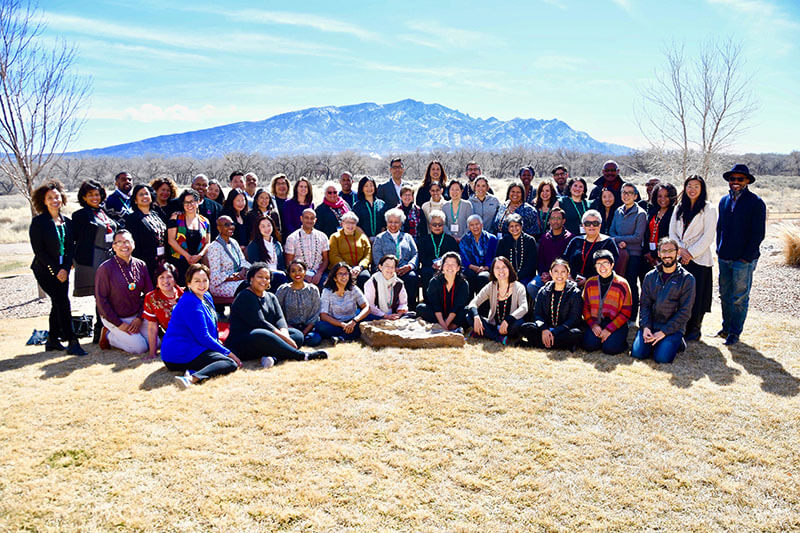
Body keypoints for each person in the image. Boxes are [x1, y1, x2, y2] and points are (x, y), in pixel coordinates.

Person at [226, 263, 328, 367]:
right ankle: (302, 356)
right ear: (251, 278)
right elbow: (260, 322)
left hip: (267, 337)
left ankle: (273, 357)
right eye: (260, 277)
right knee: (261, 333)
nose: (264, 280)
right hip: (247, 340)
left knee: (297, 335)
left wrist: (286, 335)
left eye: (267, 278)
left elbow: (280, 318)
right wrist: (285, 339)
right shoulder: (245, 296)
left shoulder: (271, 296)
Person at [29, 179, 86, 355]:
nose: (55, 200)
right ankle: (72, 341)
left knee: (58, 302)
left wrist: (66, 268)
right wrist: (56, 271)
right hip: (45, 270)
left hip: (63, 269)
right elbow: (39, 252)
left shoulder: (67, 222)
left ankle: (53, 340)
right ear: (43, 201)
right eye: (50, 198)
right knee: (62, 301)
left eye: (57, 197)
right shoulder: (39, 222)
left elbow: (71, 248)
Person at [160, 264, 242, 387]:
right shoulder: (190, 302)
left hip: (195, 346)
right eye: (197, 281)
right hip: (178, 353)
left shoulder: (206, 296)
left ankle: (193, 370)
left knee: (230, 349)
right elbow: (203, 337)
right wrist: (228, 353)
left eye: (205, 280)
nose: (202, 284)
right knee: (229, 362)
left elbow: (212, 327)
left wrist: (221, 347)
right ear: (188, 283)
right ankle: (192, 378)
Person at [716, 164, 765, 345]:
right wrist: (719, 249)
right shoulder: (724, 201)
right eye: (732, 179)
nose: (735, 182)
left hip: (743, 259)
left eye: (740, 179)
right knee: (724, 294)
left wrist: (747, 256)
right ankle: (726, 328)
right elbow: (720, 228)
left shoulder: (756, 203)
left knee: (739, 297)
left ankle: (735, 333)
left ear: (747, 181)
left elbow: (758, 233)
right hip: (725, 256)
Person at [631, 238, 696, 363]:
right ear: (659, 254)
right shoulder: (650, 276)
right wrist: (646, 327)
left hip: (672, 327)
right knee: (638, 354)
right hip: (652, 324)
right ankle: (659, 342)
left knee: (661, 358)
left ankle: (676, 342)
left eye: (671, 251)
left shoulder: (687, 279)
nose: (667, 255)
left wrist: (664, 332)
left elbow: (685, 311)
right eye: (664, 251)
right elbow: (644, 304)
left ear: (677, 253)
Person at [669, 176, 716, 342]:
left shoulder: (709, 209)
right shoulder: (679, 208)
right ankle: (680, 326)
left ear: (702, 189)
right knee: (680, 295)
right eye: (689, 186)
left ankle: (695, 329)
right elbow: (672, 232)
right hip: (680, 257)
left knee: (698, 295)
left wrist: (690, 253)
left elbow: (708, 236)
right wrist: (681, 251)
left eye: (696, 186)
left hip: (699, 258)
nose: (692, 189)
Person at [95, 230, 153, 354]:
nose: (124, 245)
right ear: (113, 246)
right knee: (140, 348)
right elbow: (101, 301)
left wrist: (139, 318)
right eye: (119, 242)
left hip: (136, 316)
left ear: (133, 244)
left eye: (127, 242)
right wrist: (119, 324)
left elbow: (149, 295)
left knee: (156, 342)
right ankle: (109, 336)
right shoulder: (105, 269)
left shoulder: (141, 265)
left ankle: (130, 336)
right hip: (115, 318)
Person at [71, 180, 116, 317]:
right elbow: (74, 239)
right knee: (101, 295)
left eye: (97, 194)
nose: (94, 197)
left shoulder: (104, 212)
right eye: (90, 195)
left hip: (109, 255)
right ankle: (99, 329)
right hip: (93, 257)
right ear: (83, 197)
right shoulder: (80, 215)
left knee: (111, 294)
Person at [519, 259, 583, 350]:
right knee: (525, 327)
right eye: (556, 271)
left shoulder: (575, 293)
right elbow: (537, 314)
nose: (559, 275)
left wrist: (555, 332)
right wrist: (544, 329)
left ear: (568, 273)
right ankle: (557, 345)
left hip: (563, 330)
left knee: (576, 333)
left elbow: (574, 319)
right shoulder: (544, 290)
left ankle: (540, 343)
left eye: (563, 272)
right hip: (546, 329)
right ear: (551, 273)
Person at [468, 256, 528, 344]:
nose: (501, 271)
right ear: (493, 271)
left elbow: (524, 307)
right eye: (497, 268)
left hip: (509, 326)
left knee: (519, 324)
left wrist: (508, 320)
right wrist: (476, 316)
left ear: (509, 269)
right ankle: (498, 338)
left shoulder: (518, 287)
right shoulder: (491, 286)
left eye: (504, 267)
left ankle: (484, 333)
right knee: (469, 314)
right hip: (493, 325)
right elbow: (474, 302)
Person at [609, 182, 648, 322]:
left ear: (636, 196)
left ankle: (632, 317)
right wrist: (619, 241)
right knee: (618, 284)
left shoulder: (640, 214)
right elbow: (611, 231)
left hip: (633, 254)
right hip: (618, 253)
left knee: (631, 284)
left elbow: (638, 237)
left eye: (630, 193)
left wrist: (620, 239)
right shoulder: (618, 211)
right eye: (624, 192)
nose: (626, 195)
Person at [581, 250, 631, 355]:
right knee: (589, 346)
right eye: (598, 264)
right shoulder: (590, 283)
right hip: (596, 322)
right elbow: (585, 307)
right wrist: (593, 325)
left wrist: (609, 329)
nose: (602, 267)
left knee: (610, 349)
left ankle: (618, 340)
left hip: (615, 323)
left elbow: (626, 312)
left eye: (605, 263)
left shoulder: (622, 284)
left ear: (612, 265)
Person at [372, 208, 419, 308]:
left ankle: (410, 307)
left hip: (404, 268)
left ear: (401, 223)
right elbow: (377, 256)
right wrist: (390, 269)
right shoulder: (380, 238)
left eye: (396, 222)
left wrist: (409, 266)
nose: (393, 225)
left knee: (412, 277)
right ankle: (388, 308)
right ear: (386, 223)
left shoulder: (407, 237)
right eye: (390, 222)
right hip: (385, 270)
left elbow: (415, 253)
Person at [317, 262, 372, 342]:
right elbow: (323, 315)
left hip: (352, 320)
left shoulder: (353, 288)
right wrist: (342, 324)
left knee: (369, 317)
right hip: (336, 323)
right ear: (334, 278)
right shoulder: (327, 291)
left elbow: (366, 307)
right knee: (320, 326)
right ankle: (347, 335)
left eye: (346, 274)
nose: (344, 276)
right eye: (340, 274)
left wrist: (354, 321)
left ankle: (341, 337)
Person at [563, 210, 619, 287]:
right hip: (572, 284)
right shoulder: (575, 241)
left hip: (597, 284)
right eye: (588, 223)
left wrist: (589, 280)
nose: (591, 226)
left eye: (595, 223)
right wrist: (569, 277)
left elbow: (612, 266)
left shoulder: (608, 242)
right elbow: (564, 261)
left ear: (600, 225)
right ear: (583, 226)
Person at [416, 251, 471, 331]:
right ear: (441, 267)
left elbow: (457, 306)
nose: (450, 267)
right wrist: (443, 323)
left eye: (453, 264)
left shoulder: (463, 283)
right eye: (447, 264)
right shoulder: (434, 281)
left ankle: (451, 326)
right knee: (420, 308)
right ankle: (447, 327)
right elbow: (435, 305)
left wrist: (446, 325)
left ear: (458, 268)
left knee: (468, 311)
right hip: (438, 314)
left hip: (454, 315)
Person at [166, 189, 211, 285]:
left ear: (198, 202)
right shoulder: (176, 218)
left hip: (197, 264)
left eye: (192, 202)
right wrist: (187, 256)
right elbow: (171, 240)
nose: (189, 205)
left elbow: (207, 242)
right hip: (179, 263)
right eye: (186, 202)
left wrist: (199, 255)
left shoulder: (205, 221)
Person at [125, 184, 168, 285]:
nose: (144, 197)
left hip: (162, 260)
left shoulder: (156, 214)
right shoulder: (132, 218)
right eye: (141, 194)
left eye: (146, 194)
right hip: (145, 262)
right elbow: (133, 245)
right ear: (135, 199)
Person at [276, 261, 323, 347]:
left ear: (305, 272)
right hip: (290, 328)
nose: (297, 273)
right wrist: (287, 326)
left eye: (300, 270)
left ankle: (299, 340)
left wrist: (304, 332)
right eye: (293, 271)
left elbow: (315, 313)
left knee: (315, 339)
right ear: (289, 273)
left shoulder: (313, 289)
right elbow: (277, 311)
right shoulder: (283, 290)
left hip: (308, 328)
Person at [142, 262, 183, 360]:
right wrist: (152, 353)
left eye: (169, 277)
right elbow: (152, 327)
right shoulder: (151, 298)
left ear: (175, 279)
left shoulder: (186, 295)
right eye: (161, 277)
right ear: (156, 281)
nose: (165, 281)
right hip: (173, 337)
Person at [531, 207, 574, 294]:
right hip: (547, 273)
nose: (555, 221)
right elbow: (540, 259)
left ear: (563, 221)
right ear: (549, 221)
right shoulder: (544, 238)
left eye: (558, 218)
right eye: (553, 218)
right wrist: (543, 273)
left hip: (563, 275)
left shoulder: (571, 238)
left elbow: (572, 261)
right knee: (531, 286)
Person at [207, 215, 251, 300]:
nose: (231, 227)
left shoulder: (234, 242)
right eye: (226, 225)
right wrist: (231, 277)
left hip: (239, 279)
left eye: (232, 224)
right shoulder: (214, 247)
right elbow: (215, 277)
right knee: (249, 286)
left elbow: (243, 261)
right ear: (219, 228)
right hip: (221, 285)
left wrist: (242, 271)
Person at [284, 208, 330, 286]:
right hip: (299, 274)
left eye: (312, 218)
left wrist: (319, 273)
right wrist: (303, 275)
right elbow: (289, 263)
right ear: (301, 218)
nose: (309, 220)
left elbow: (326, 259)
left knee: (328, 284)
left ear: (315, 220)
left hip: (318, 274)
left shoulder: (322, 236)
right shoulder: (292, 238)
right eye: (306, 218)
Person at [418, 210, 460, 295]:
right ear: (430, 226)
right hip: (430, 267)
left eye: (440, 224)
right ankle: (428, 302)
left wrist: (444, 265)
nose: (437, 227)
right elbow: (422, 257)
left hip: (447, 267)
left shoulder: (450, 240)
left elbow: (455, 256)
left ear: (443, 225)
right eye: (434, 224)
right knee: (426, 272)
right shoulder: (424, 240)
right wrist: (432, 264)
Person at [496, 214, 538, 298]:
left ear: (521, 226)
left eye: (517, 225)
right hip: (506, 275)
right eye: (511, 226)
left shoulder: (529, 240)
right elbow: (499, 261)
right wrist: (508, 275)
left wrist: (517, 276)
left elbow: (532, 264)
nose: (514, 228)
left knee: (521, 286)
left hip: (525, 276)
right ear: (508, 228)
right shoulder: (503, 241)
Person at [328, 211, 371, 289]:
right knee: (343, 277)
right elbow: (333, 255)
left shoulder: (362, 237)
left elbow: (368, 254)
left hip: (358, 268)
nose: (350, 225)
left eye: (353, 223)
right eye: (347, 222)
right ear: (342, 223)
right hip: (341, 267)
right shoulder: (335, 237)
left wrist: (360, 267)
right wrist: (347, 268)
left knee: (365, 277)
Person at [246, 214, 287, 290]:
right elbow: (256, 267)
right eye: (263, 226)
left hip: (279, 276)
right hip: (263, 277)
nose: (267, 228)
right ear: (258, 228)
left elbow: (281, 265)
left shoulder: (277, 244)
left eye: (269, 225)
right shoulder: (254, 245)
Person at [460, 214, 499, 296]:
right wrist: (472, 267)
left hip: (488, 268)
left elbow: (495, 256)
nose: (475, 227)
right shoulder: (465, 240)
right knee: (468, 275)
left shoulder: (491, 238)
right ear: (469, 227)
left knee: (483, 277)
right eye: (472, 225)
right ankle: (469, 305)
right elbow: (463, 258)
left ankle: (483, 307)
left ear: (482, 225)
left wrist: (486, 267)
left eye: (477, 224)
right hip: (471, 268)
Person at [645, 183, 677, 276]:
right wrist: (648, 252)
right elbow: (647, 233)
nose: (662, 199)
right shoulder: (653, 211)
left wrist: (657, 254)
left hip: (665, 255)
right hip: (648, 255)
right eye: (659, 196)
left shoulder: (674, 213)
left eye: (666, 196)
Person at [364, 255, 409, 319]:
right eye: (387, 266)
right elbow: (370, 306)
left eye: (392, 267)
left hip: (394, 314)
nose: (390, 269)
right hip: (376, 314)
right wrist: (385, 316)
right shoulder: (371, 283)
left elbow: (403, 303)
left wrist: (398, 315)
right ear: (380, 267)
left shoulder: (399, 283)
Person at [353, 175, 388, 242]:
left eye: (371, 185)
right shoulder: (357, 205)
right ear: (362, 188)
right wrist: (366, 239)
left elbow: (385, 223)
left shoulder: (382, 204)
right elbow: (356, 225)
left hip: (381, 240)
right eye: (366, 186)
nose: (369, 188)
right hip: (363, 240)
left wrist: (379, 238)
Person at [188, 174, 223, 238]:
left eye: (204, 185)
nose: (201, 187)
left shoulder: (216, 207)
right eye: (198, 184)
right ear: (192, 185)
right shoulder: (178, 203)